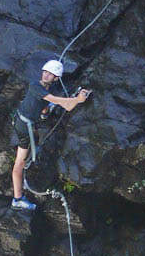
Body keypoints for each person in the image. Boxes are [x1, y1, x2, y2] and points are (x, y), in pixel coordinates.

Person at [11, 57, 90, 211]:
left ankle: (18, 194)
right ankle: (17, 198)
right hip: (24, 126)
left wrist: (45, 112)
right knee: (19, 164)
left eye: (50, 74)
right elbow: (62, 103)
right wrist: (78, 99)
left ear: (56, 78)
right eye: (45, 72)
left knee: (27, 152)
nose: (46, 75)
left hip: (26, 124)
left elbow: (58, 106)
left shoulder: (49, 90)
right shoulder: (35, 86)